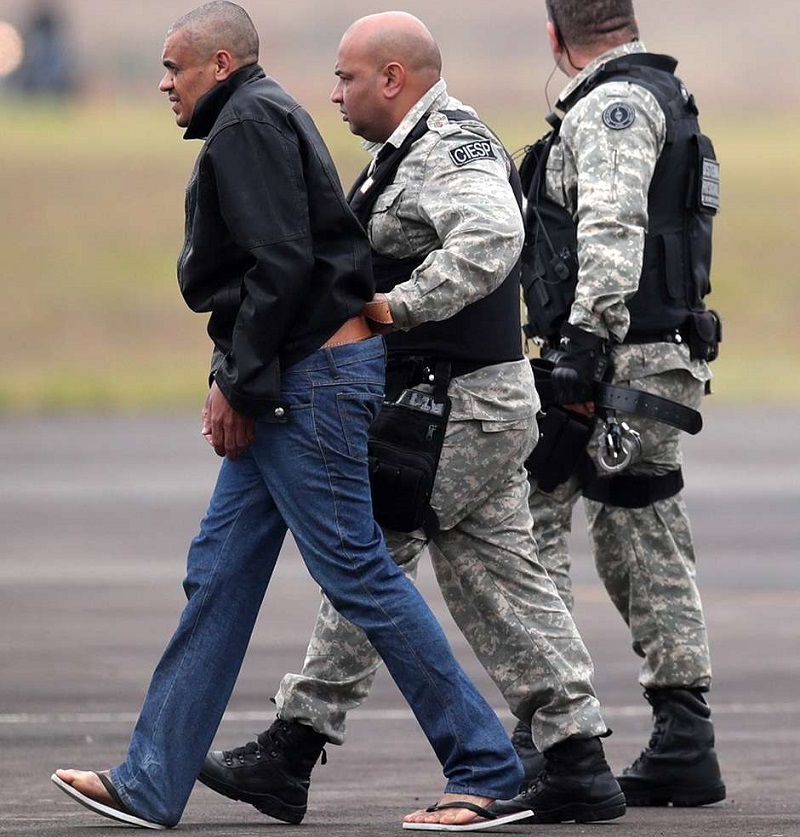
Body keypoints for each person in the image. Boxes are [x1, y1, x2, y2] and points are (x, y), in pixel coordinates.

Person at [48, 2, 534, 830]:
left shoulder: (247, 125)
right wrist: (235, 374)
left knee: (358, 572)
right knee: (220, 572)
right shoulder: (258, 116)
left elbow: (281, 266)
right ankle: (152, 779)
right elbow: (268, 271)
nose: (164, 83)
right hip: (291, 374)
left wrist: (238, 383)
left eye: (176, 67)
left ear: (221, 66)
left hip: (307, 381)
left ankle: (488, 766)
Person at [196, 11, 625, 831]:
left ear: (393, 78)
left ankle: (295, 741)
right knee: (502, 578)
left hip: (456, 404)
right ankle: (577, 757)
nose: (334, 93)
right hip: (463, 405)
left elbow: (493, 235)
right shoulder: (395, 158)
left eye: (347, 78)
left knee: (366, 554)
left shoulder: (449, 146)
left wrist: (398, 305)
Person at [510, 0, 726, 810]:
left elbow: (610, 222)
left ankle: (552, 738)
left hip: (614, 365)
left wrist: (581, 351)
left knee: (523, 527)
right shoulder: (663, 96)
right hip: (660, 360)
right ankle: (684, 740)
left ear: (555, 36)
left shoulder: (610, 106)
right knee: (642, 534)